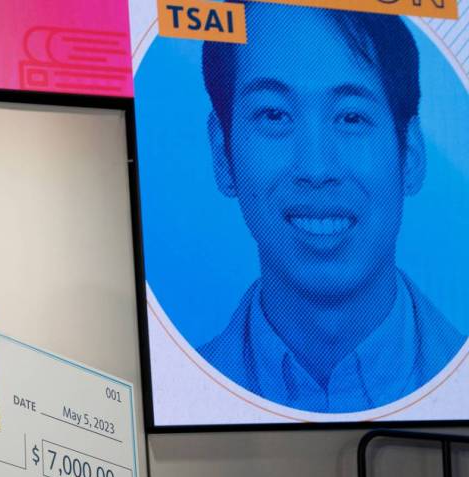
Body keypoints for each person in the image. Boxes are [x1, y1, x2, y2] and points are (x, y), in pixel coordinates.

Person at [197, 3, 465, 412]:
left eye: (352, 117)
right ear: (222, 154)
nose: (316, 169)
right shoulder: (184, 386)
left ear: (409, 152)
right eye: (274, 114)